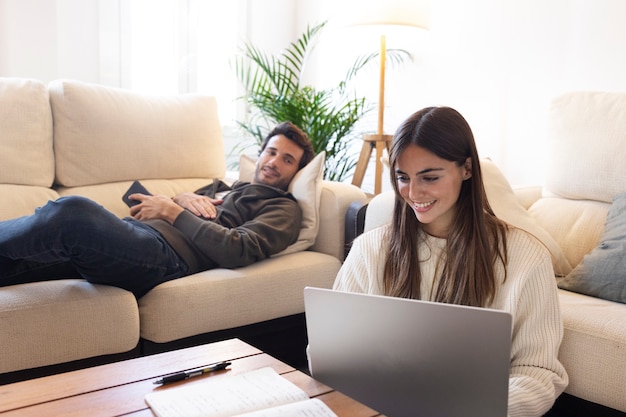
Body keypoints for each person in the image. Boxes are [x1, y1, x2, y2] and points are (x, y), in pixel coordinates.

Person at [333, 107, 568, 416]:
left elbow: (536, 371)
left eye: (430, 177)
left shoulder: (525, 257)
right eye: (402, 177)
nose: (413, 192)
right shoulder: (369, 250)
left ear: (467, 169)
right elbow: (332, 352)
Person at [0, 121, 314, 299]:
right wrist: (180, 198)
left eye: (287, 159)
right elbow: (163, 209)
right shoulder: (225, 188)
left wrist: (172, 211)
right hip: (134, 235)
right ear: (260, 155)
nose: (274, 162)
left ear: (298, 171)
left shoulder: (282, 207)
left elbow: (239, 249)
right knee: (18, 264)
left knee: (72, 211)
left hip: (163, 256)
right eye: (271, 152)